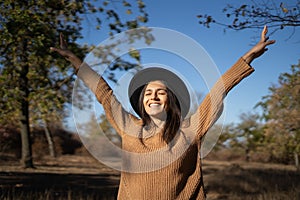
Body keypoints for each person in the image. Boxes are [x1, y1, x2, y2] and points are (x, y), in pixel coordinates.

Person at [50, 26, 275, 199]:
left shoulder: (191, 129)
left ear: (171, 100)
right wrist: (74, 60)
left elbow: (219, 90)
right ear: (142, 101)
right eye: (148, 93)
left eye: (160, 92)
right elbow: (104, 93)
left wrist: (248, 58)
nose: (153, 96)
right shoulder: (129, 127)